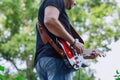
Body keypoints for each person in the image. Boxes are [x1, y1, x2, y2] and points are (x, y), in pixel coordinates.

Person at [34, 0, 98, 80]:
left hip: (43, 61)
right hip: (56, 60)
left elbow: (62, 44)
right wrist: (74, 42)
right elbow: (50, 20)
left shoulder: (50, 7)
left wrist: (83, 55)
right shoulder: (57, 1)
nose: (75, 3)